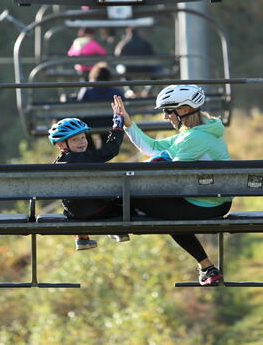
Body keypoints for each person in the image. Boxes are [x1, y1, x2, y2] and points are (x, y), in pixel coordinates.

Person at [113, 85, 233, 286]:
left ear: (185, 109)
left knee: (132, 197)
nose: (165, 116)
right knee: (163, 211)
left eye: (168, 110)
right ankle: (207, 268)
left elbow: (167, 175)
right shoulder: (196, 132)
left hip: (206, 204)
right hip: (209, 199)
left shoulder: (195, 137)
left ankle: (117, 221)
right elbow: (153, 148)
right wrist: (128, 124)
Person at [48, 113, 130, 251]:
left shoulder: (56, 163)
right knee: (119, 202)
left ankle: (82, 239)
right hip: (100, 210)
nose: (82, 142)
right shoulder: (84, 158)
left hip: (76, 215)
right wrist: (117, 129)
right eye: (75, 139)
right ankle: (117, 229)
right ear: (61, 144)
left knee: (70, 205)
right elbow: (111, 150)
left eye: (83, 137)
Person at [77, 62, 124, 148]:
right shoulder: (115, 91)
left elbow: (79, 106)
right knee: (106, 142)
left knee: (85, 134)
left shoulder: (86, 89)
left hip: (90, 124)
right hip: (110, 122)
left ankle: (91, 151)